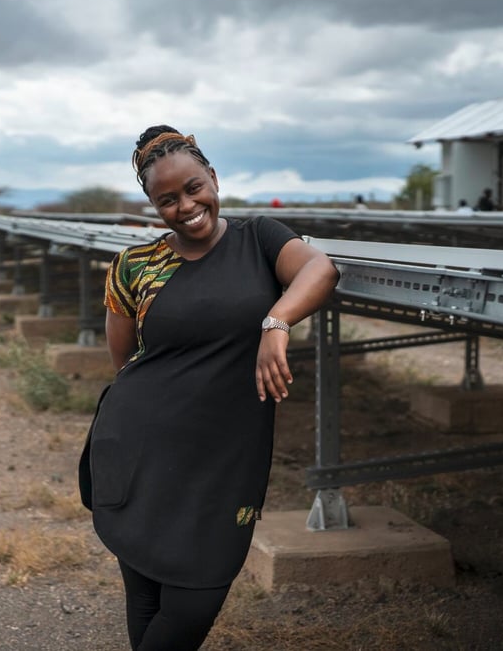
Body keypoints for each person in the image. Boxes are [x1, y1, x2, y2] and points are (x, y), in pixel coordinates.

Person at [81, 125, 339, 650]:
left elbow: (321, 268)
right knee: (148, 594)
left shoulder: (260, 238)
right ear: (153, 205)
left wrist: (276, 322)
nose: (186, 206)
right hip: (141, 450)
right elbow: (125, 361)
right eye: (167, 199)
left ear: (214, 178)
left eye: (194, 188)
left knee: (196, 595)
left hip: (226, 456)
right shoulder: (135, 266)